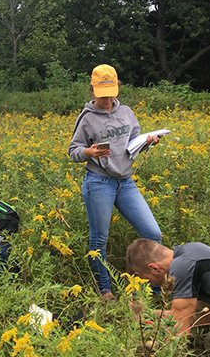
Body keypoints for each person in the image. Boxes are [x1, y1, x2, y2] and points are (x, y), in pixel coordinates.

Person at [68, 64, 162, 300]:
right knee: (99, 239)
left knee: (153, 233)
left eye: (111, 93)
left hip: (125, 182)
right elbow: (73, 151)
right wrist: (89, 152)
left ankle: (152, 289)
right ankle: (105, 291)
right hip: (99, 182)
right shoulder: (87, 118)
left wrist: (148, 141)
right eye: (102, 94)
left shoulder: (126, 112)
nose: (108, 99)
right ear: (92, 90)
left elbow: (134, 140)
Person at [126, 239, 210, 356]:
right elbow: (203, 317)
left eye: (147, 279)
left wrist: (155, 347)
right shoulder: (189, 255)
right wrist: (150, 315)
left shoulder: (181, 267)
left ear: (154, 268)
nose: (151, 284)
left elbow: (180, 334)